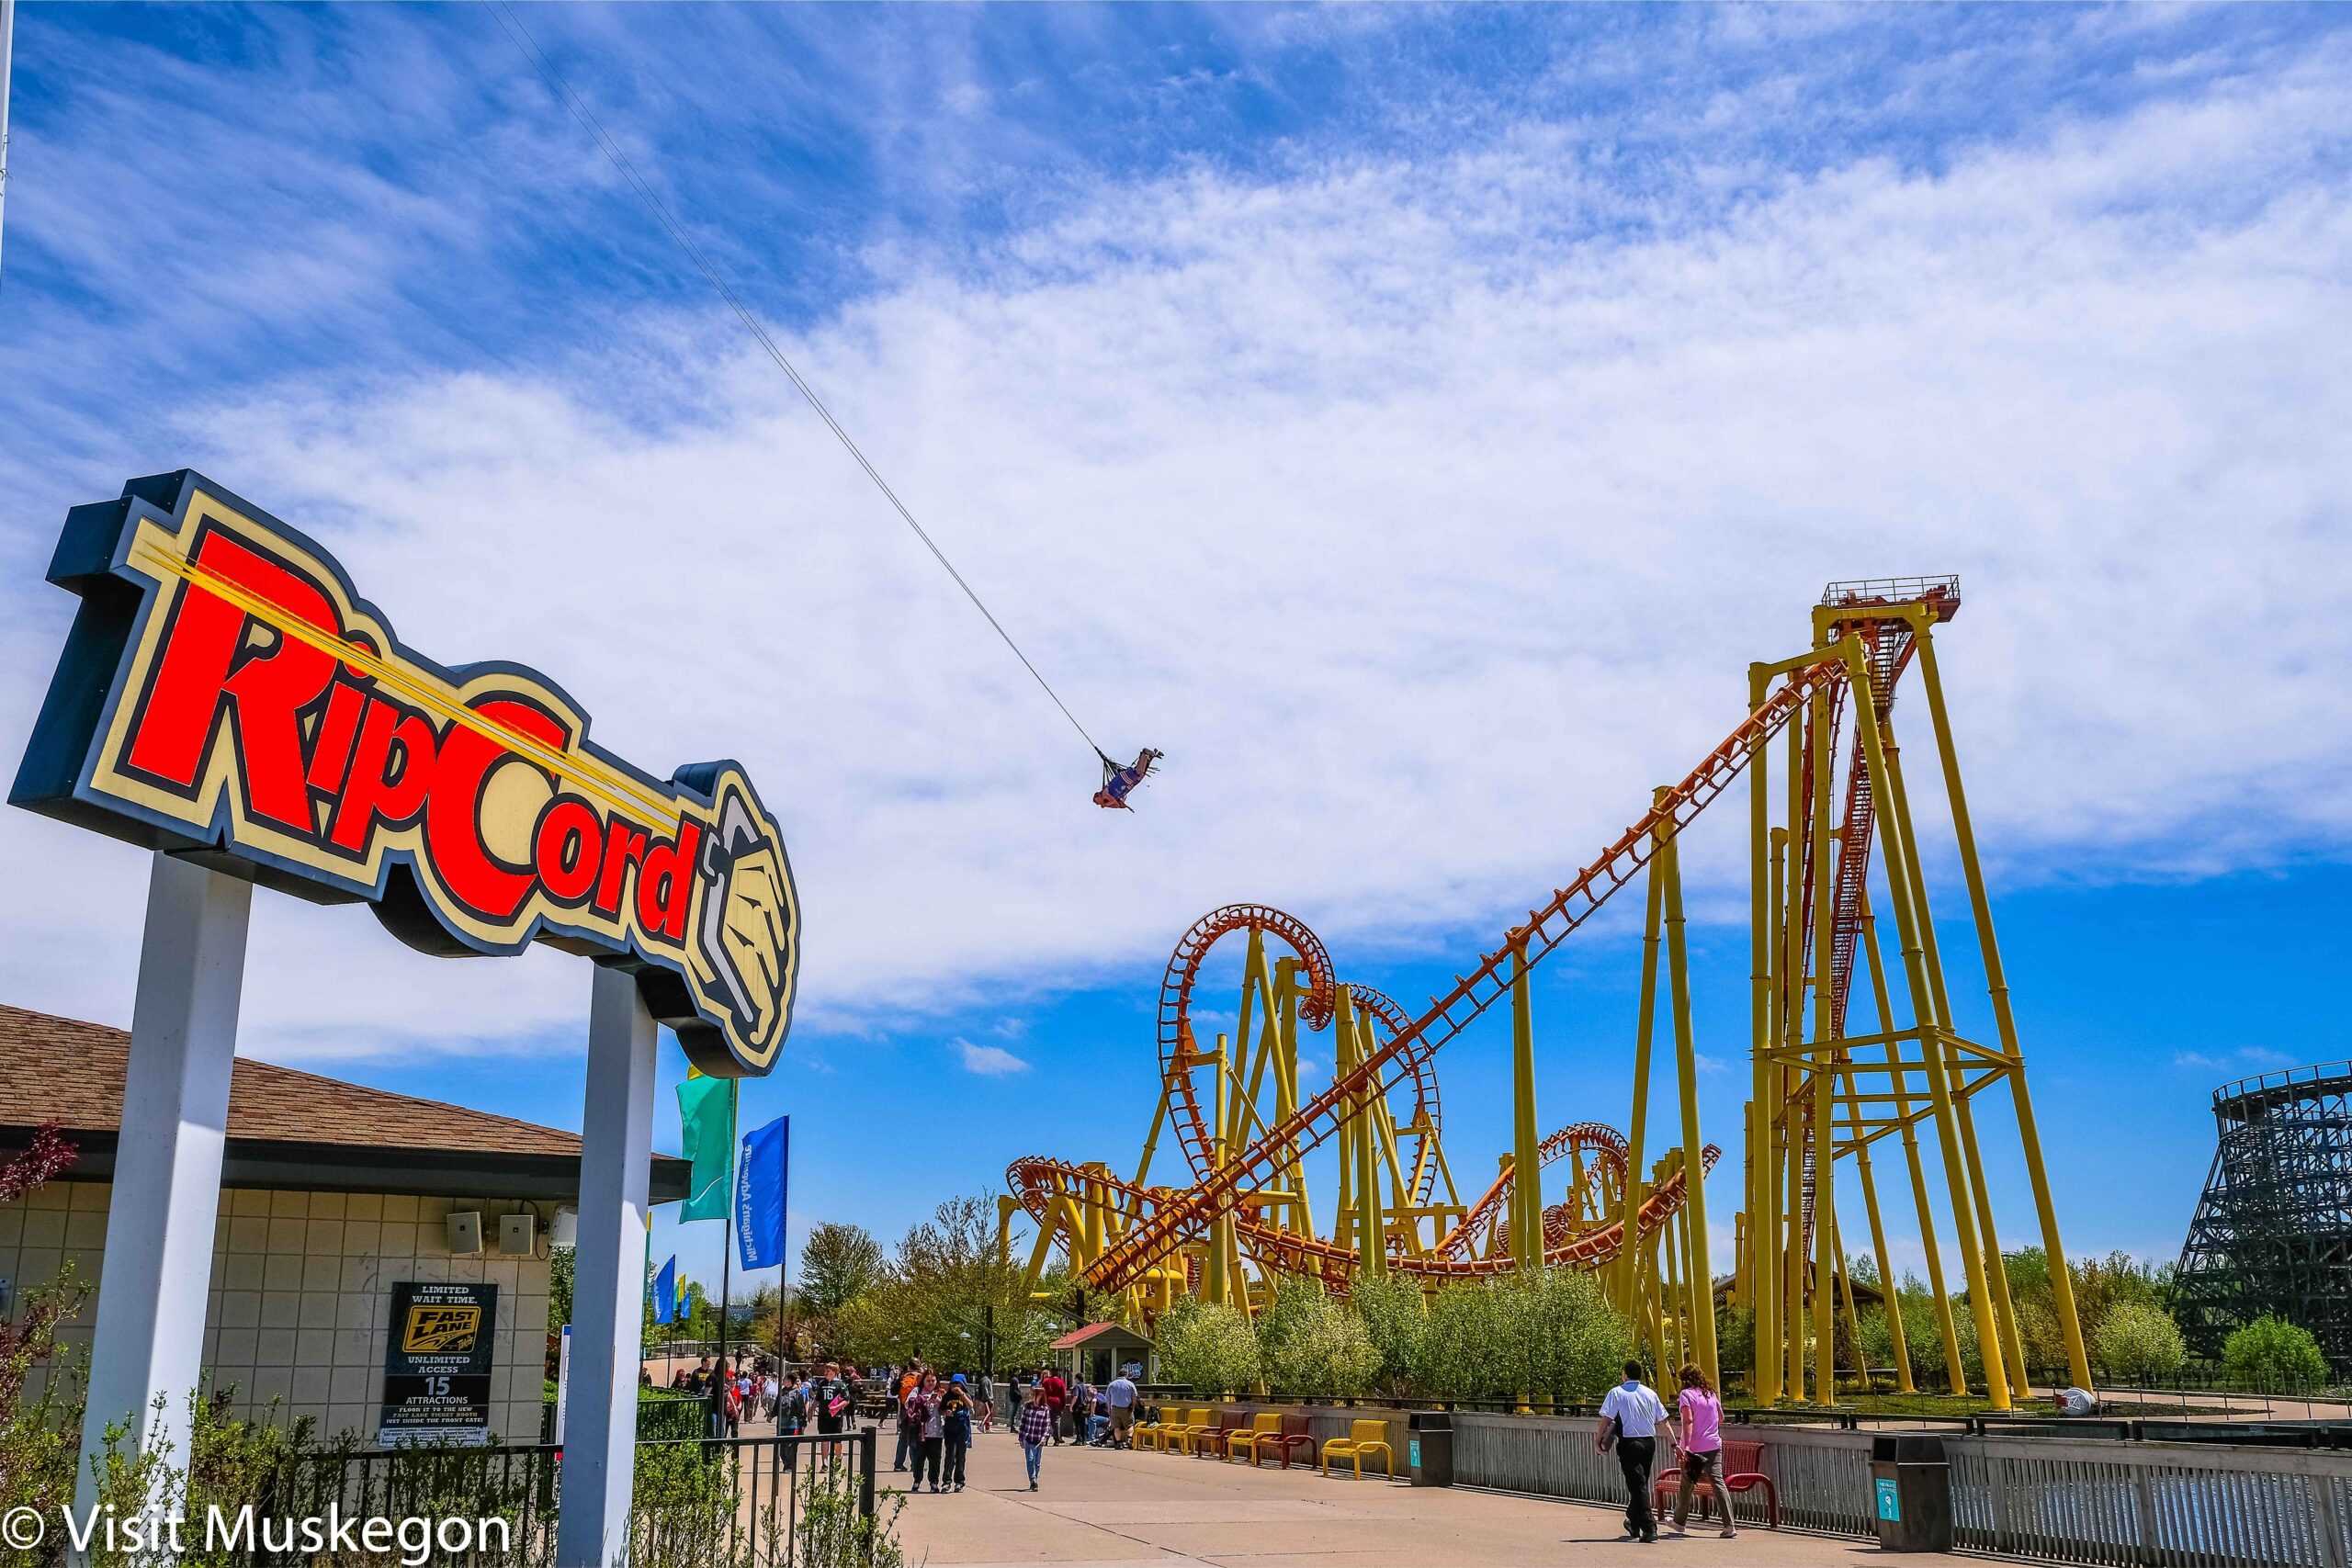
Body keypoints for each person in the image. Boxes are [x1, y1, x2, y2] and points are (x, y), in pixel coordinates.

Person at [1596, 1359, 1673, 1544]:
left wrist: (1597, 1439)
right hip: (1649, 1443)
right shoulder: (1650, 1393)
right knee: (1640, 1484)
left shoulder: (1616, 1392)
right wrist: (1674, 1443)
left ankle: (1649, 1527)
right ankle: (1633, 1521)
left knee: (1637, 1485)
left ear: (1625, 1374)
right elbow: (1664, 1421)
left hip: (1629, 1444)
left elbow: (1607, 1419)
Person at [1668, 1364, 1734, 1539]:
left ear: (1684, 1380)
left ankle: (1679, 1522)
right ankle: (1729, 1525)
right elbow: (1721, 1417)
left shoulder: (1686, 1395)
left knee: (1687, 1484)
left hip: (1696, 1448)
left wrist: (1685, 1446)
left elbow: (1688, 1421)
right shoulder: (1711, 1393)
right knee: (1718, 1482)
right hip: (1714, 1444)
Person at [908, 1370, 945, 1494]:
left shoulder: (940, 1392)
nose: (930, 1383)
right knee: (919, 1458)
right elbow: (908, 1404)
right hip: (921, 1431)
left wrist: (941, 1403)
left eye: (933, 1381)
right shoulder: (917, 1392)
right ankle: (917, 1480)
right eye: (928, 1381)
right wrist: (924, 1402)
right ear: (923, 1381)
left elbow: (947, 1409)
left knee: (935, 1459)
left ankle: (934, 1482)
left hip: (936, 1432)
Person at [1015, 1381, 1053, 1491]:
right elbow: (1023, 1423)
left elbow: (1047, 1425)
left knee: (1037, 1461)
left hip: (1039, 1439)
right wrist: (1021, 1438)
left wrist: (1044, 1438)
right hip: (1028, 1437)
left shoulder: (1045, 1409)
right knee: (1030, 1460)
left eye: (1036, 1394)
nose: (1033, 1396)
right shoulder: (1027, 1407)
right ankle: (1033, 1481)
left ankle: (1035, 1477)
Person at [942, 1374, 975, 1492]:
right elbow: (941, 1409)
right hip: (950, 1429)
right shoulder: (947, 1396)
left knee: (960, 1456)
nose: (956, 1386)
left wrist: (962, 1394)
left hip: (962, 1428)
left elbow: (970, 1405)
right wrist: (946, 1412)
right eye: (954, 1383)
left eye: (958, 1383)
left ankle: (959, 1481)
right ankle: (946, 1481)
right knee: (950, 1455)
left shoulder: (966, 1395)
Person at [1103, 1371, 1137, 1449]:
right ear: (1126, 1375)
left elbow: (1108, 1398)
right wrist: (1133, 1406)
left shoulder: (1111, 1384)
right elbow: (1134, 1396)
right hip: (1127, 1408)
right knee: (1130, 1425)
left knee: (1116, 1427)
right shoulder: (1130, 1384)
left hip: (1114, 1408)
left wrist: (1109, 1409)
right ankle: (1129, 1438)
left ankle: (1118, 1443)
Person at [1040, 1368, 1069, 1444]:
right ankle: (1057, 1439)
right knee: (1056, 1421)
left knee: (1045, 1421)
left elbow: (1042, 1393)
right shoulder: (1060, 1382)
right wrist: (1063, 1405)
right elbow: (1063, 1395)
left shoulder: (1046, 1381)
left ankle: (1045, 1439)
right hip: (1057, 1403)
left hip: (1047, 1402)